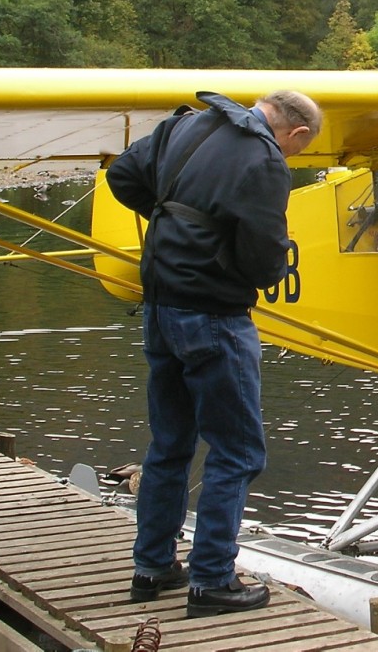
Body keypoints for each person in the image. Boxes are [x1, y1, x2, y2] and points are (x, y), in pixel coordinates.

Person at [106, 89, 321, 618]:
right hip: (215, 316)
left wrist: (175, 223)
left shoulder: (186, 125)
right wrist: (228, 256)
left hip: (160, 307)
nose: (290, 156)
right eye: (298, 150)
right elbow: (267, 256)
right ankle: (212, 581)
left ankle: (152, 567)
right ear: (294, 134)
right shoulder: (266, 157)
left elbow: (122, 177)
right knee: (238, 451)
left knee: (171, 442)